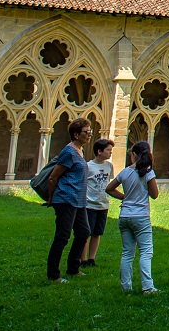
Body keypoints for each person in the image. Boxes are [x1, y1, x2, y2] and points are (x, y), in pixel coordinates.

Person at [43, 118, 93, 283]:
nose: (89, 134)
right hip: (66, 199)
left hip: (78, 201)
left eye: (89, 131)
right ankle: (53, 274)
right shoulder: (69, 152)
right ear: (76, 134)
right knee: (62, 236)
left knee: (84, 233)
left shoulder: (80, 151)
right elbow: (53, 177)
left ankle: (73, 268)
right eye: (86, 132)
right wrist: (51, 198)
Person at [107, 140, 160, 294]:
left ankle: (125, 286)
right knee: (145, 252)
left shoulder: (125, 172)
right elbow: (155, 195)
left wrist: (125, 197)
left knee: (127, 253)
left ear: (134, 155)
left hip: (124, 215)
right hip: (141, 216)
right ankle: (148, 286)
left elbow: (109, 188)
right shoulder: (148, 172)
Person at [81, 138, 115, 268]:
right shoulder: (88, 166)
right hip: (90, 204)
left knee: (97, 233)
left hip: (103, 204)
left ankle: (91, 258)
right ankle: (82, 259)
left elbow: (108, 183)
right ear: (99, 151)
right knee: (87, 233)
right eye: (108, 150)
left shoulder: (109, 166)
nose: (110, 153)